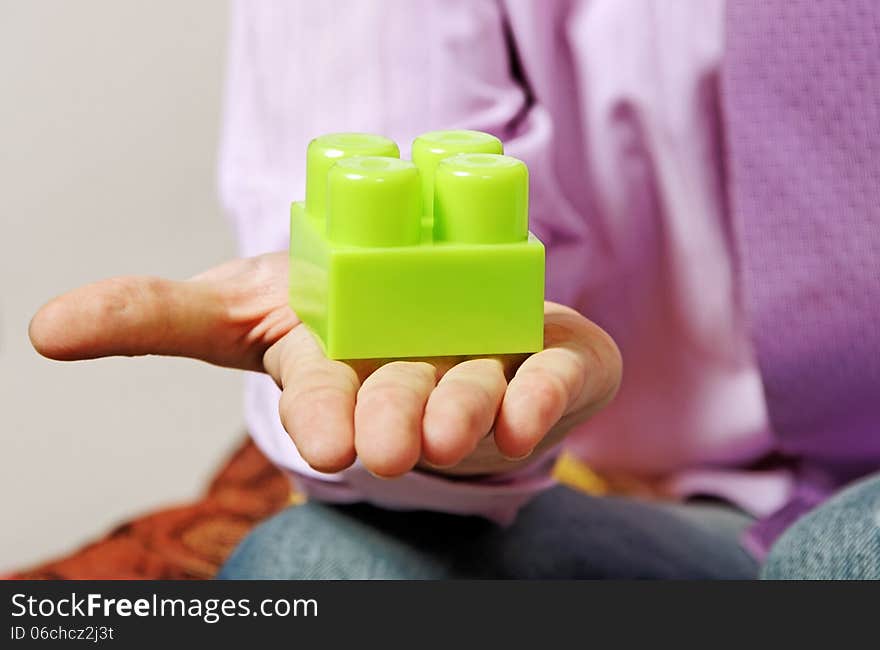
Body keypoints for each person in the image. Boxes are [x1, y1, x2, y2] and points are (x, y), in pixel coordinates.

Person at [29, 1, 880, 579]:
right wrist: (441, 383)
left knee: (844, 555)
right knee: (317, 570)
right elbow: (399, 173)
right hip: (692, 505)